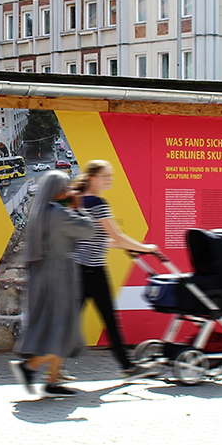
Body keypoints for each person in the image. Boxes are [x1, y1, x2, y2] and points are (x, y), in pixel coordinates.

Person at [10, 171, 97, 398]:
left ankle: (53, 380)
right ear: (58, 190)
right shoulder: (59, 214)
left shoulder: (42, 213)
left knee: (55, 325)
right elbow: (88, 229)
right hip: (60, 274)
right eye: (66, 187)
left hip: (43, 273)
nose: (69, 191)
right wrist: (79, 207)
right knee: (63, 326)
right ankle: (30, 367)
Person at [71, 160, 160, 378]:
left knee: (68, 321)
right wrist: (147, 248)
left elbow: (98, 240)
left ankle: (43, 366)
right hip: (93, 270)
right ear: (92, 178)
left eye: (110, 176)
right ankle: (128, 367)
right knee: (109, 320)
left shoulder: (78, 201)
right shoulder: (97, 203)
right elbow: (117, 236)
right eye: (105, 176)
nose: (109, 179)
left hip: (76, 269)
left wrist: (129, 247)